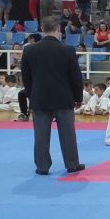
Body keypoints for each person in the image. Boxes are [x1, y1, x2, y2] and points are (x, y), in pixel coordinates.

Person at [20, 16, 84, 175]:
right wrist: (78, 98)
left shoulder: (29, 50)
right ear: (58, 29)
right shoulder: (67, 50)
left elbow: (26, 78)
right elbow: (76, 77)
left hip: (40, 97)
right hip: (64, 98)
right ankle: (72, 164)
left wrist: (31, 95)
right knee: (68, 134)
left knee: (40, 135)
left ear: (42, 29)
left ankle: (42, 167)